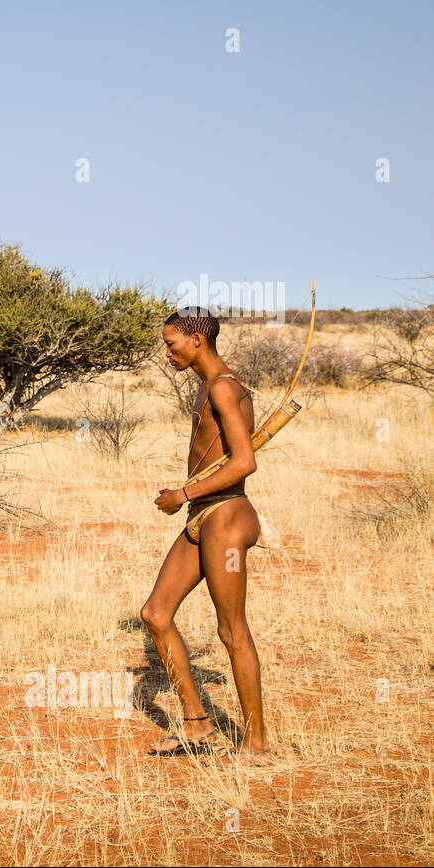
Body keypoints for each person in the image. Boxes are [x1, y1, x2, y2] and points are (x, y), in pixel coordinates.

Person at [142, 307, 270, 762]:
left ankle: (256, 744)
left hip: (226, 517)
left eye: (172, 343)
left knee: (231, 630)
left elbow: (243, 462)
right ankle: (197, 726)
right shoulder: (206, 386)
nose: (168, 352)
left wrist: (183, 492)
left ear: (197, 340)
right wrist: (189, 500)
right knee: (156, 614)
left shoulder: (222, 386)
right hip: (202, 514)